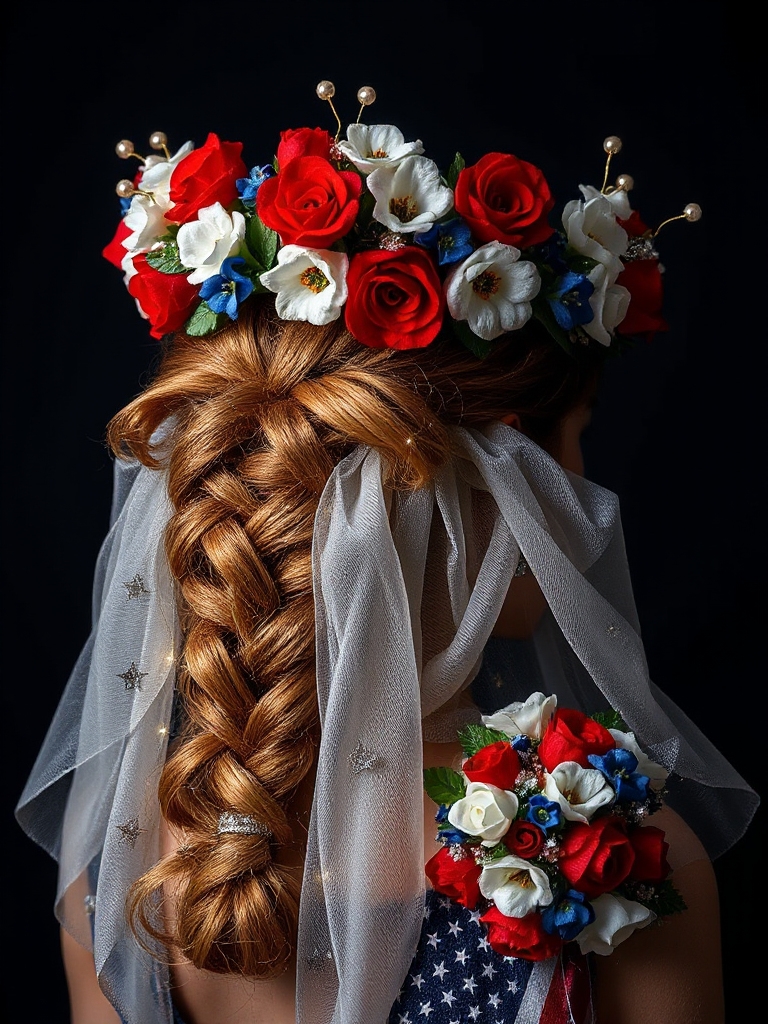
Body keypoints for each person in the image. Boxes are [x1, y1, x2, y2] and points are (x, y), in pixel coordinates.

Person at [15, 84, 758, 1024]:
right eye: (575, 445)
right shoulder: (612, 857)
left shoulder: (129, 867)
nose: (591, 501)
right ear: (462, 497)